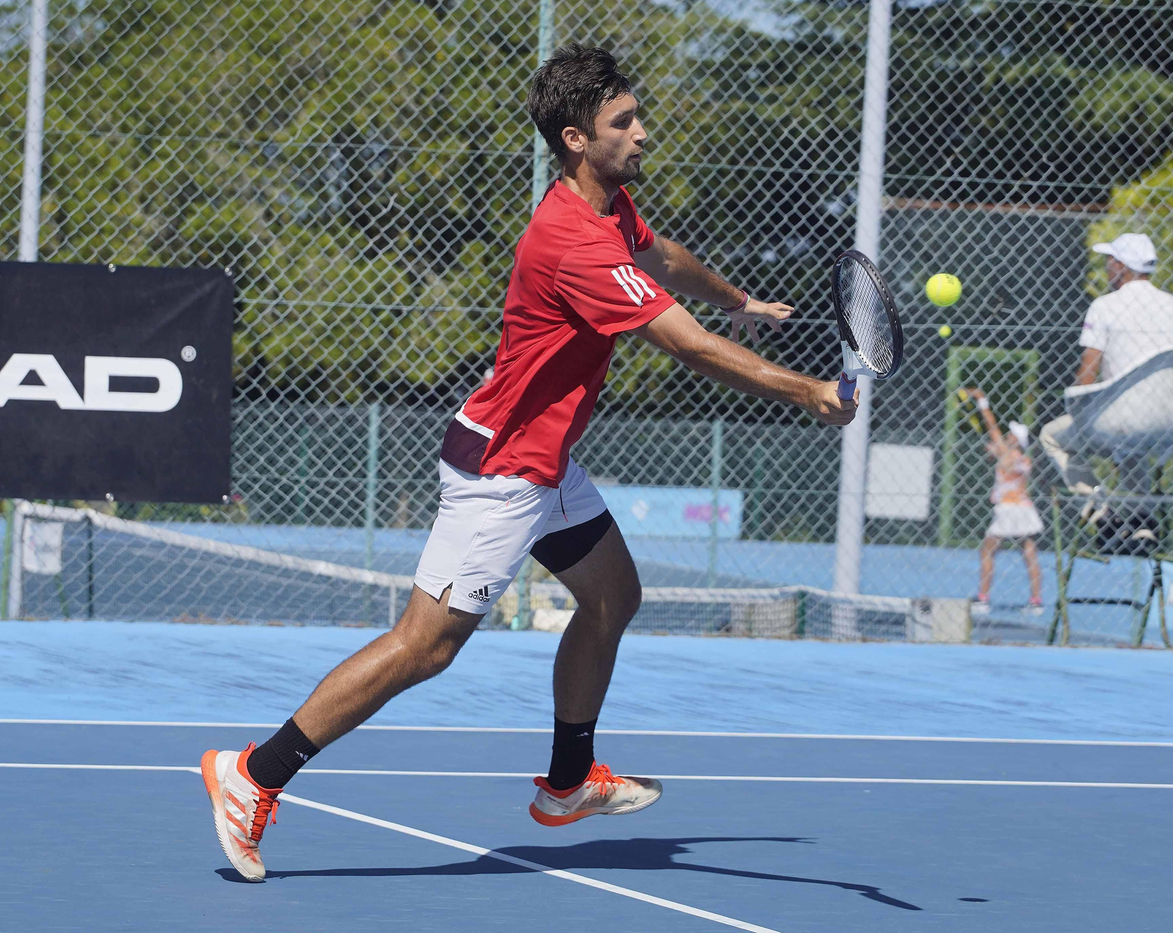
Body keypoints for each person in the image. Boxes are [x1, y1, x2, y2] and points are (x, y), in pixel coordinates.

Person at [200, 45, 857, 882]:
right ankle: (254, 775)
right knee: (423, 648)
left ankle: (569, 779)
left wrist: (737, 300)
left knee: (614, 593)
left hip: (543, 462)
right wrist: (807, 391)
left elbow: (660, 256)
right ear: (577, 139)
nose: (643, 133)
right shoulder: (570, 240)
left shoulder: (610, 209)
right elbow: (684, 348)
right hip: (502, 472)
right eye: (625, 123)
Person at [1038, 232, 1173, 495]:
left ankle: (1096, 505)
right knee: (1132, 452)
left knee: (1052, 436)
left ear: (1120, 266)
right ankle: (1142, 522)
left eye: (1110, 259)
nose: (1107, 266)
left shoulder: (1105, 306)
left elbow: (1088, 372)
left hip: (1123, 418)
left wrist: (1079, 412)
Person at [965, 389, 1043, 617]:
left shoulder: (1006, 452)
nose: (1006, 436)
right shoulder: (1026, 459)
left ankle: (983, 599)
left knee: (987, 552)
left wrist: (982, 400)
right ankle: (1036, 601)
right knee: (1030, 555)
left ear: (1015, 440)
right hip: (1025, 509)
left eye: (1010, 434)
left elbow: (990, 424)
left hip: (1008, 510)